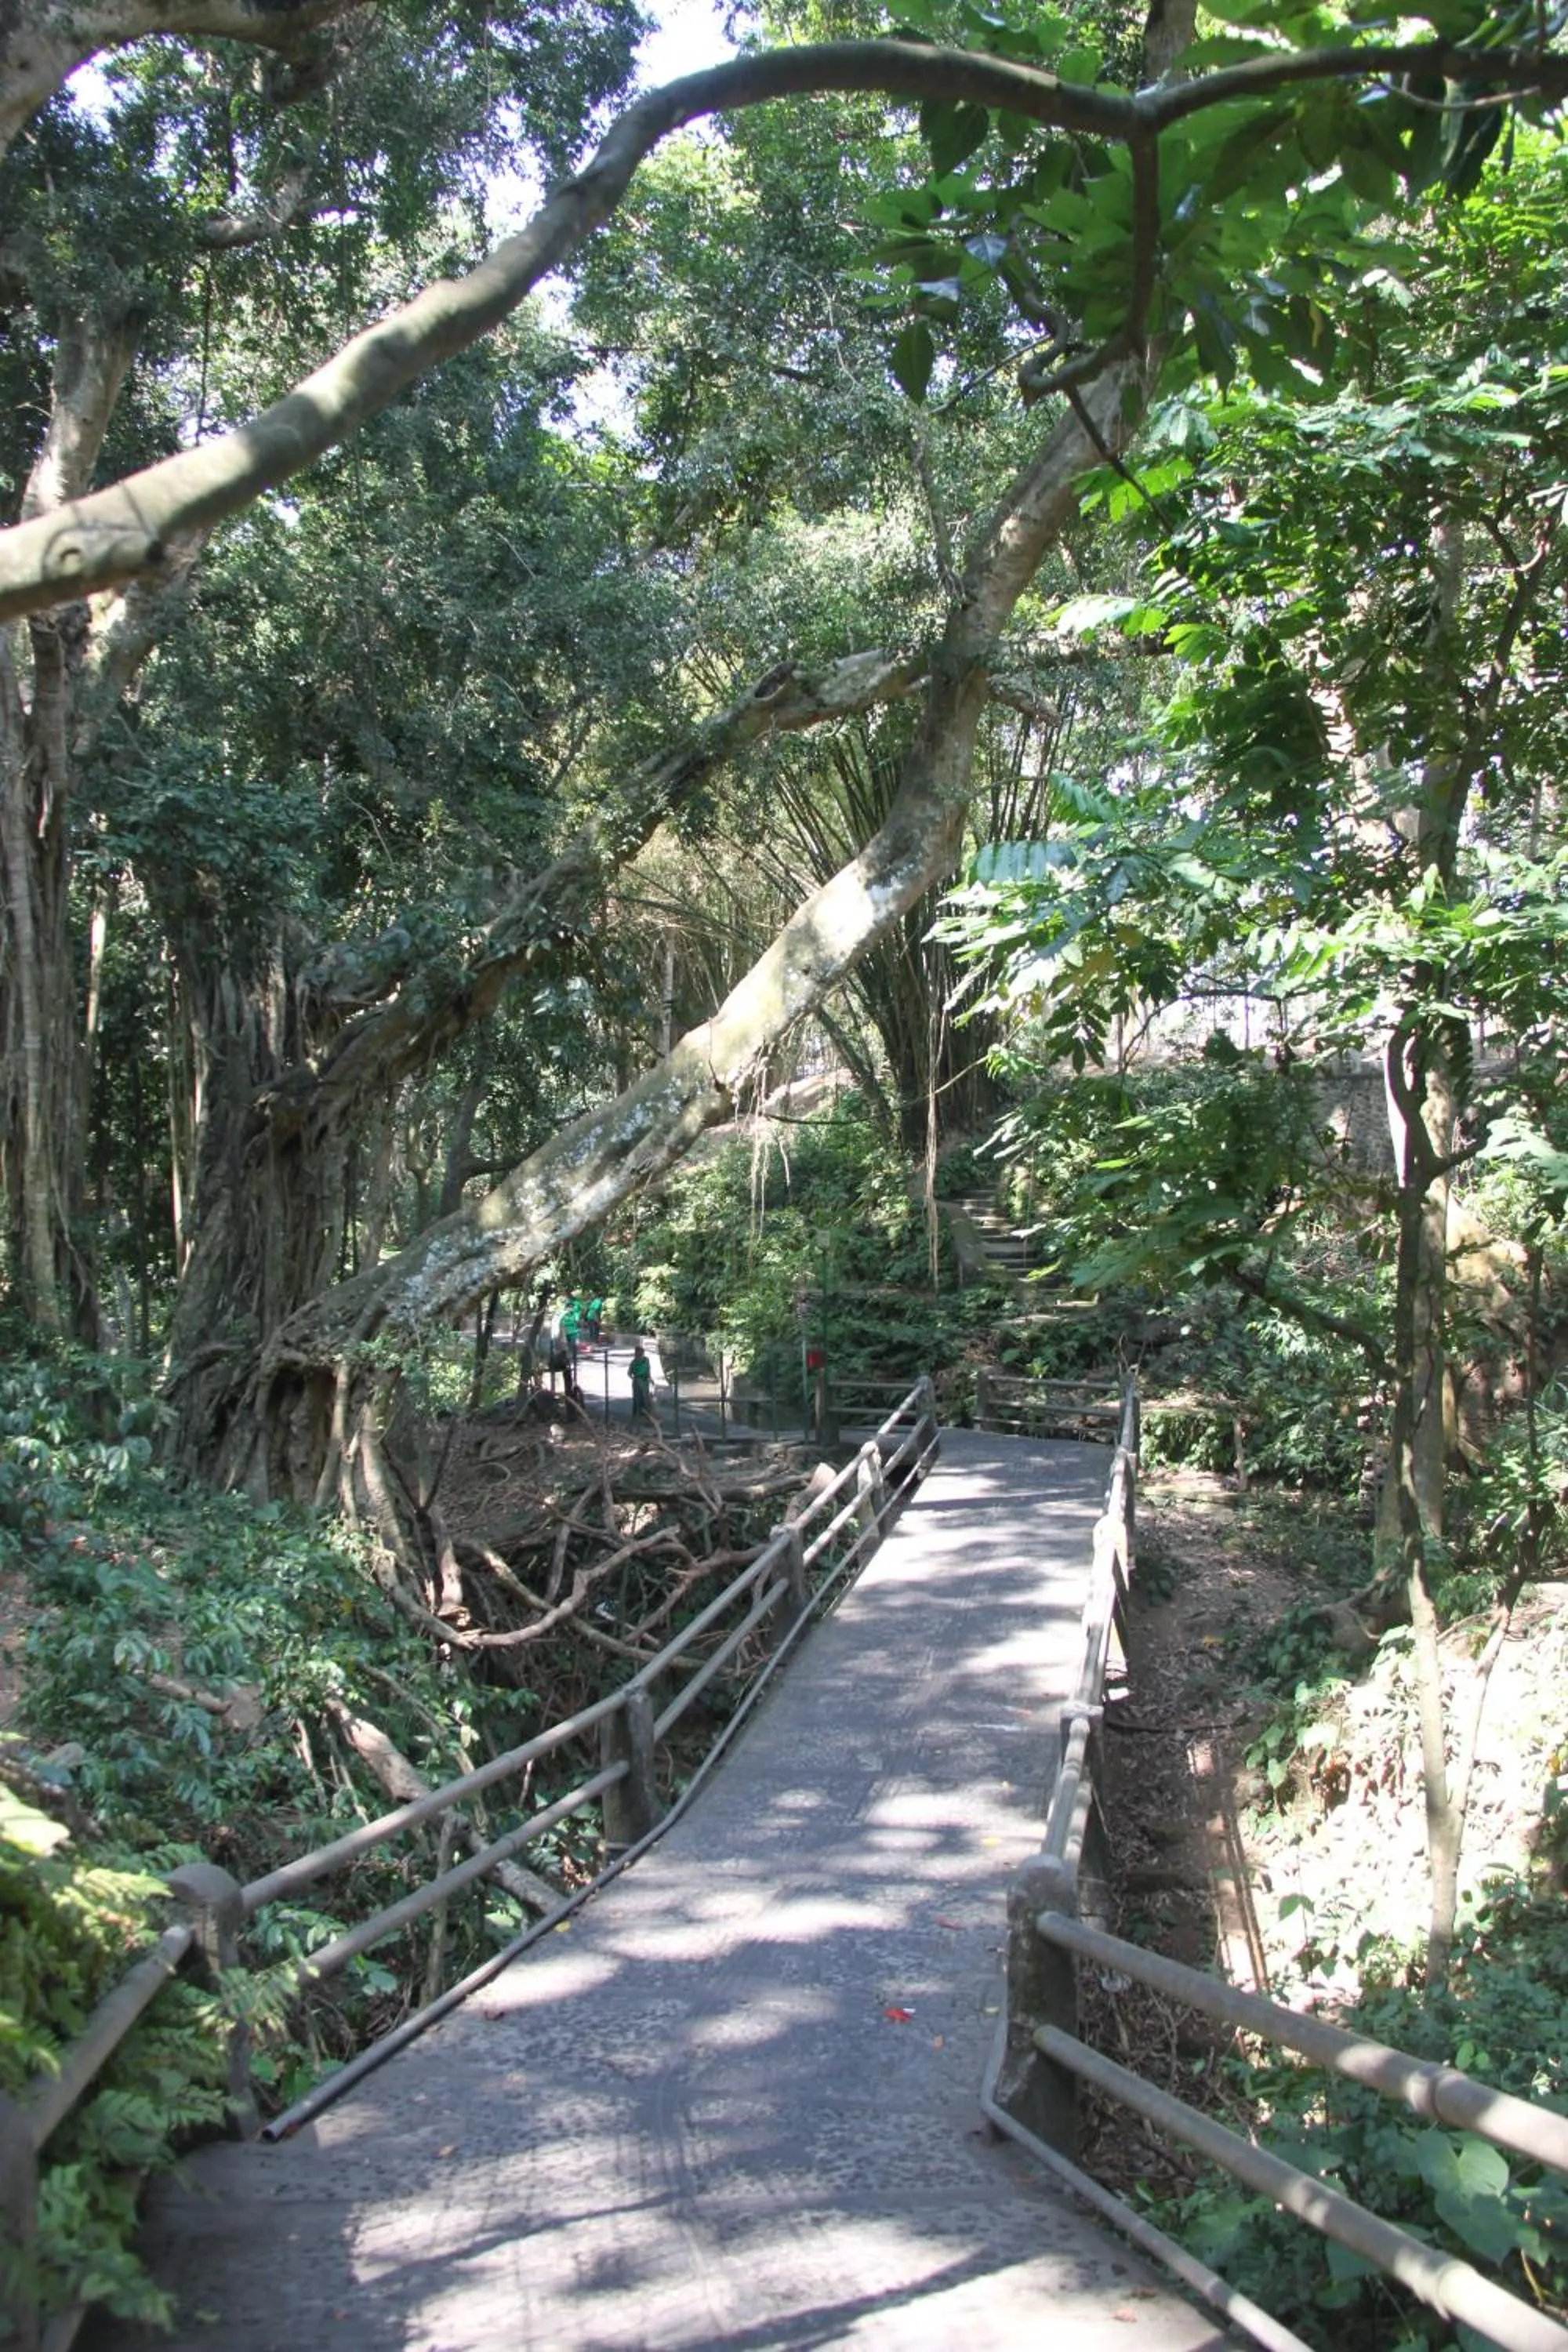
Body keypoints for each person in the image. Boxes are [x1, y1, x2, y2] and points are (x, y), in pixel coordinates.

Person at [629, 1340, 656, 1425]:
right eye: (638, 1353)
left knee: (646, 1398)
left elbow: (648, 1370)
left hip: (645, 1381)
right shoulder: (634, 1362)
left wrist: (650, 1378)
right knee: (637, 1398)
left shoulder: (646, 1360)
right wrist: (634, 1378)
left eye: (641, 1353)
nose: (639, 1355)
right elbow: (629, 1373)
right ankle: (637, 1415)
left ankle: (647, 1416)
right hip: (637, 1381)